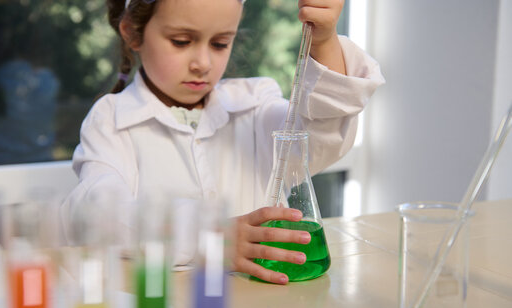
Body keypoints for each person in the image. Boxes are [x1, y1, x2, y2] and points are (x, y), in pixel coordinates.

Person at [63, 0, 384, 284]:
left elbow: (318, 140)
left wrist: (324, 41)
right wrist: (210, 237)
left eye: (219, 43)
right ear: (133, 33)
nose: (202, 62)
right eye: (181, 41)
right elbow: (99, 214)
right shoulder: (110, 120)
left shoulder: (254, 104)